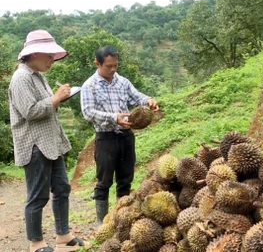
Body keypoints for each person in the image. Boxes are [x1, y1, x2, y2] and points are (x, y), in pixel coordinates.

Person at [8, 29, 89, 252]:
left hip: (50, 142)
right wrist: (56, 98)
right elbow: (30, 111)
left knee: (62, 188)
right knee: (37, 195)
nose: (52, 59)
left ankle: (63, 236)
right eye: (49, 55)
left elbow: (46, 105)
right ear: (33, 54)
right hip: (34, 145)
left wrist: (58, 97)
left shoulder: (38, 76)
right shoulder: (21, 77)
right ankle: (36, 243)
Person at [80, 45, 159, 225]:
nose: (113, 69)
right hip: (105, 138)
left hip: (125, 137)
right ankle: (102, 223)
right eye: (109, 66)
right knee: (104, 182)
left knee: (125, 180)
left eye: (115, 65)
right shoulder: (89, 86)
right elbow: (88, 113)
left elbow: (136, 96)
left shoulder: (122, 81)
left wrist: (148, 100)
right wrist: (114, 118)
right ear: (97, 63)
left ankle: (121, 220)